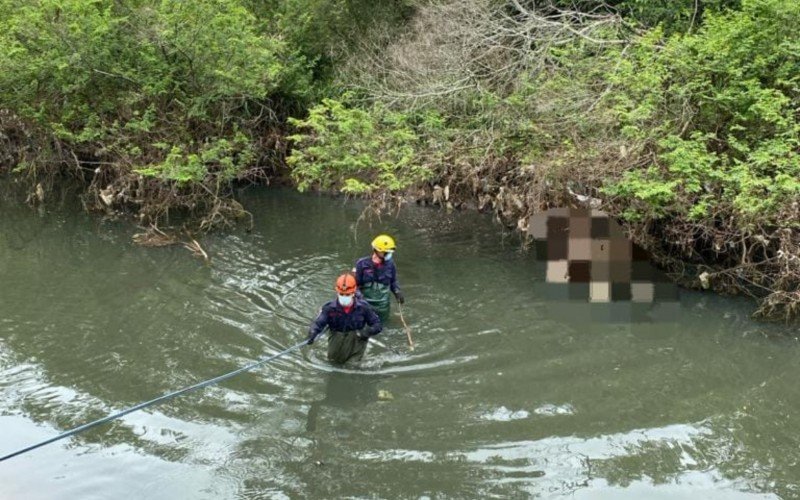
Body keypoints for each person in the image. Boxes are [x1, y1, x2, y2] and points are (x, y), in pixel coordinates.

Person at [306, 273, 383, 364]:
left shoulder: (364, 307)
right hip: (336, 340)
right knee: (332, 362)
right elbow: (318, 323)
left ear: (354, 292)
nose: (344, 297)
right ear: (337, 292)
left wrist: (366, 332)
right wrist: (312, 333)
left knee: (352, 366)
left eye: (347, 294)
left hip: (358, 341)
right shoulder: (329, 308)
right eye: (341, 294)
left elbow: (377, 324)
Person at [353, 234, 404, 323]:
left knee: (381, 326)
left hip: (383, 306)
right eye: (386, 252)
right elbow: (354, 285)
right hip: (364, 303)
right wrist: (360, 299)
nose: (389, 254)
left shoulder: (390, 264)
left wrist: (397, 292)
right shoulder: (362, 264)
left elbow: (393, 281)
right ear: (377, 251)